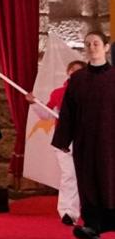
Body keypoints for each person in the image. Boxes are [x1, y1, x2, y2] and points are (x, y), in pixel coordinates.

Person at [53, 32, 115, 239]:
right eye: (88, 44)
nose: (92, 47)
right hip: (86, 143)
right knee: (89, 183)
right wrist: (63, 139)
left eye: (96, 43)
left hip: (111, 142)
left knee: (111, 181)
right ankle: (92, 226)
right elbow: (68, 112)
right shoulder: (78, 79)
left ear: (106, 47)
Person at [41, 59, 86, 225]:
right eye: (72, 69)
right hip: (64, 139)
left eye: (79, 70)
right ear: (68, 72)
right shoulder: (58, 93)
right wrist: (35, 103)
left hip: (86, 139)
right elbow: (45, 114)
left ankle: (90, 212)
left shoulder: (92, 92)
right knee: (69, 175)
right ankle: (68, 212)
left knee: (86, 177)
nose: (75, 72)